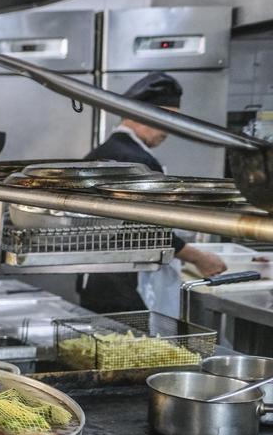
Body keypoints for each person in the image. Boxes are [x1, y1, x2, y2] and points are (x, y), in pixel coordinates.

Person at [77, 72, 227, 313]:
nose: (168, 130)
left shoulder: (104, 152)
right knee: (134, 349)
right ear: (141, 115)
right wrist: (198, 257)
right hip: (125, 285)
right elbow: (149, 230)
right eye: (165, 119)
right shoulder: (137, 161)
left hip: (95, 278)